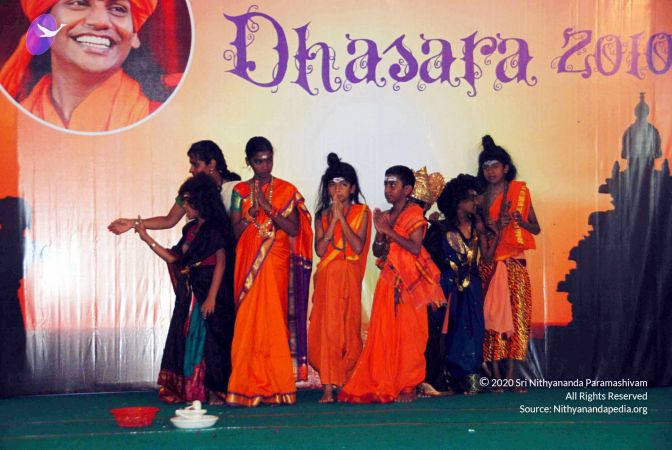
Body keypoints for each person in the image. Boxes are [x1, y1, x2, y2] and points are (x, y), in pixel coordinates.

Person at [338, 166, 445, 404]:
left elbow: (415, 248)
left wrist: (388, 230)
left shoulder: (415, 214)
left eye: (393, 184)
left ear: (407, 190)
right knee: (384, 333)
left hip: (409, 284)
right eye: (386, 184)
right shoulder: (385, 216)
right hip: (388, 280)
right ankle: (386, 381)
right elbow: (378, 252)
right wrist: (379, 235)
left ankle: (409, 385)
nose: (387, 189)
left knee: (410, 335)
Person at [225, 136, 313, 407]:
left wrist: (269, 209)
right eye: (258, 161)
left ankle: (278, 387)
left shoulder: (287, 190)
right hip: (248, 263)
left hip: (275, 263)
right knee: (247, 325)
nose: (264, 166)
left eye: (268, 160)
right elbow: (234, 232)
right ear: (248, 162)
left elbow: (294, 229)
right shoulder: (240, 192)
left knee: (274, 323)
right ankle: (244, 386)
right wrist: (250, 216)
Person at [133, 173, 236, 404]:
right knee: (190, 340)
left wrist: (211, 297)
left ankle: (214, 391)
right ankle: (194, 391)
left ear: (200, 202)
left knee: (211, 341)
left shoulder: (217, 228)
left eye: (188, 203)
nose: (185, 208)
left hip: (211, 291)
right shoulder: (190, 230)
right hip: (192, 293)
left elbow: (221, 262)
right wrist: (146, 238)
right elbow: (174, 258)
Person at [0, 0, 161, 132]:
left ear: (134, 36)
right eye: (78, 3)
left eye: (118, 9)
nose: (100, 21)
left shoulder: (160, 119)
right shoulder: (10, 123)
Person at [477, 135, 540, 392]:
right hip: (491, 265)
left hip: (515, 263)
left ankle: (512, 376)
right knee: (491, 320)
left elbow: (535, 228)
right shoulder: (480, 198)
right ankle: (495, 376)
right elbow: (479, 233)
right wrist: (493, 227)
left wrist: (520, 222)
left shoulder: (520, 193)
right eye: (486, 167)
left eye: (495, 166)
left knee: (517, 319)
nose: (491, 171)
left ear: (505, 168)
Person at [308, 153, 371, 403]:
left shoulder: (362, 212)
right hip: (328, 279)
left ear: (352, 188)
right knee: (328, 330)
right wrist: (333, 219)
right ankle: (327, 387)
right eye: (333, 185)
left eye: (343, 185)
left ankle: (347, 381)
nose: (338, 190)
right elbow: (320, 250)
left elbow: (357, 246)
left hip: (349, 276)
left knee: (349, 329)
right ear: (327, 188)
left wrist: (342, 218)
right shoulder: (321, 215)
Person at [422, 175, 492, 395]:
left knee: (471, 331)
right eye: (471, 197)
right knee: (438, 330)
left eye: (477, 197)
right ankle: (439, 378)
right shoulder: (439, 228)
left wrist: (485, 233)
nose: (476, 202)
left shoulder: (477, 227)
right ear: (458, 201)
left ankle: (468, 377)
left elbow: (487, 258)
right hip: (445, 285)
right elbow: (429, 262)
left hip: (471, 288)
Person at [107, 140, 240, 235]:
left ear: (211, 164)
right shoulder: (190, 191)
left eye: (195, 164)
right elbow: (169, 220)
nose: (191, 170)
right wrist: (133, 223)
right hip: (199, 254)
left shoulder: (236, 189)